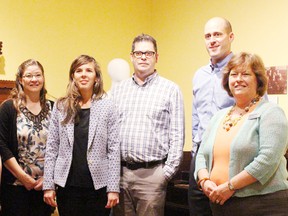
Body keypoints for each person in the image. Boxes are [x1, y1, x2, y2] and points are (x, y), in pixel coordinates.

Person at [195, 52, 288, 216]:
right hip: (220, 204)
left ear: (258, 80)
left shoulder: (271, 112)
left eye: (245, 74)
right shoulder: (219, 116)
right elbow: (202, 153)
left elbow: (268, 159)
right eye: (233, 74)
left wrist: (230, 186)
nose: (238, 79)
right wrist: (204, 180)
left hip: (262, 205)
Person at [112, 33, 185, 216]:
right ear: (131, 56)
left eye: (149, 53)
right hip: (120, 175)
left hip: (152, 175)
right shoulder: (118, 90)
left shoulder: (170, 90)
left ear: (156, 57)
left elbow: (177, 135)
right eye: (139, 53)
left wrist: (165, 173)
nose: (143, 57)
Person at [43, 55, 120, 216]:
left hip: (98, 186)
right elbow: (51, 148)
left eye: (88, 70)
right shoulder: (61, 106)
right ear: (73, 76)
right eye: (78, 71)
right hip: (67, 186)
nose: (83, 74)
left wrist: (113, 188)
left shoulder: (108, 106)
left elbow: (113, 150)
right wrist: (48, 185)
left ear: (96, 77)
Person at [188, 17, 235, 216]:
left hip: (230, 153)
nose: (212, 40)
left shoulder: (241, 72)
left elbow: (258, 111)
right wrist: (194, 150)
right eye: (208, 36)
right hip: (200, 153)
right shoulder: (199, 75)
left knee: (227, 208)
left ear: (231, 37)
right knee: (198, 208)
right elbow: (196, 115)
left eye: (218, 34)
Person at [0, 59, 54, 216]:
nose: (34, 79)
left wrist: (48, 179)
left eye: (38, 75)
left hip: (45, 188)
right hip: (15, 186)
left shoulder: (54, 108)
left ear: (43, 78)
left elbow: (61, 145)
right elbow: (2, 145)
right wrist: (23, 177)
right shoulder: (9, 108)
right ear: (20, 80)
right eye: (29, 75)